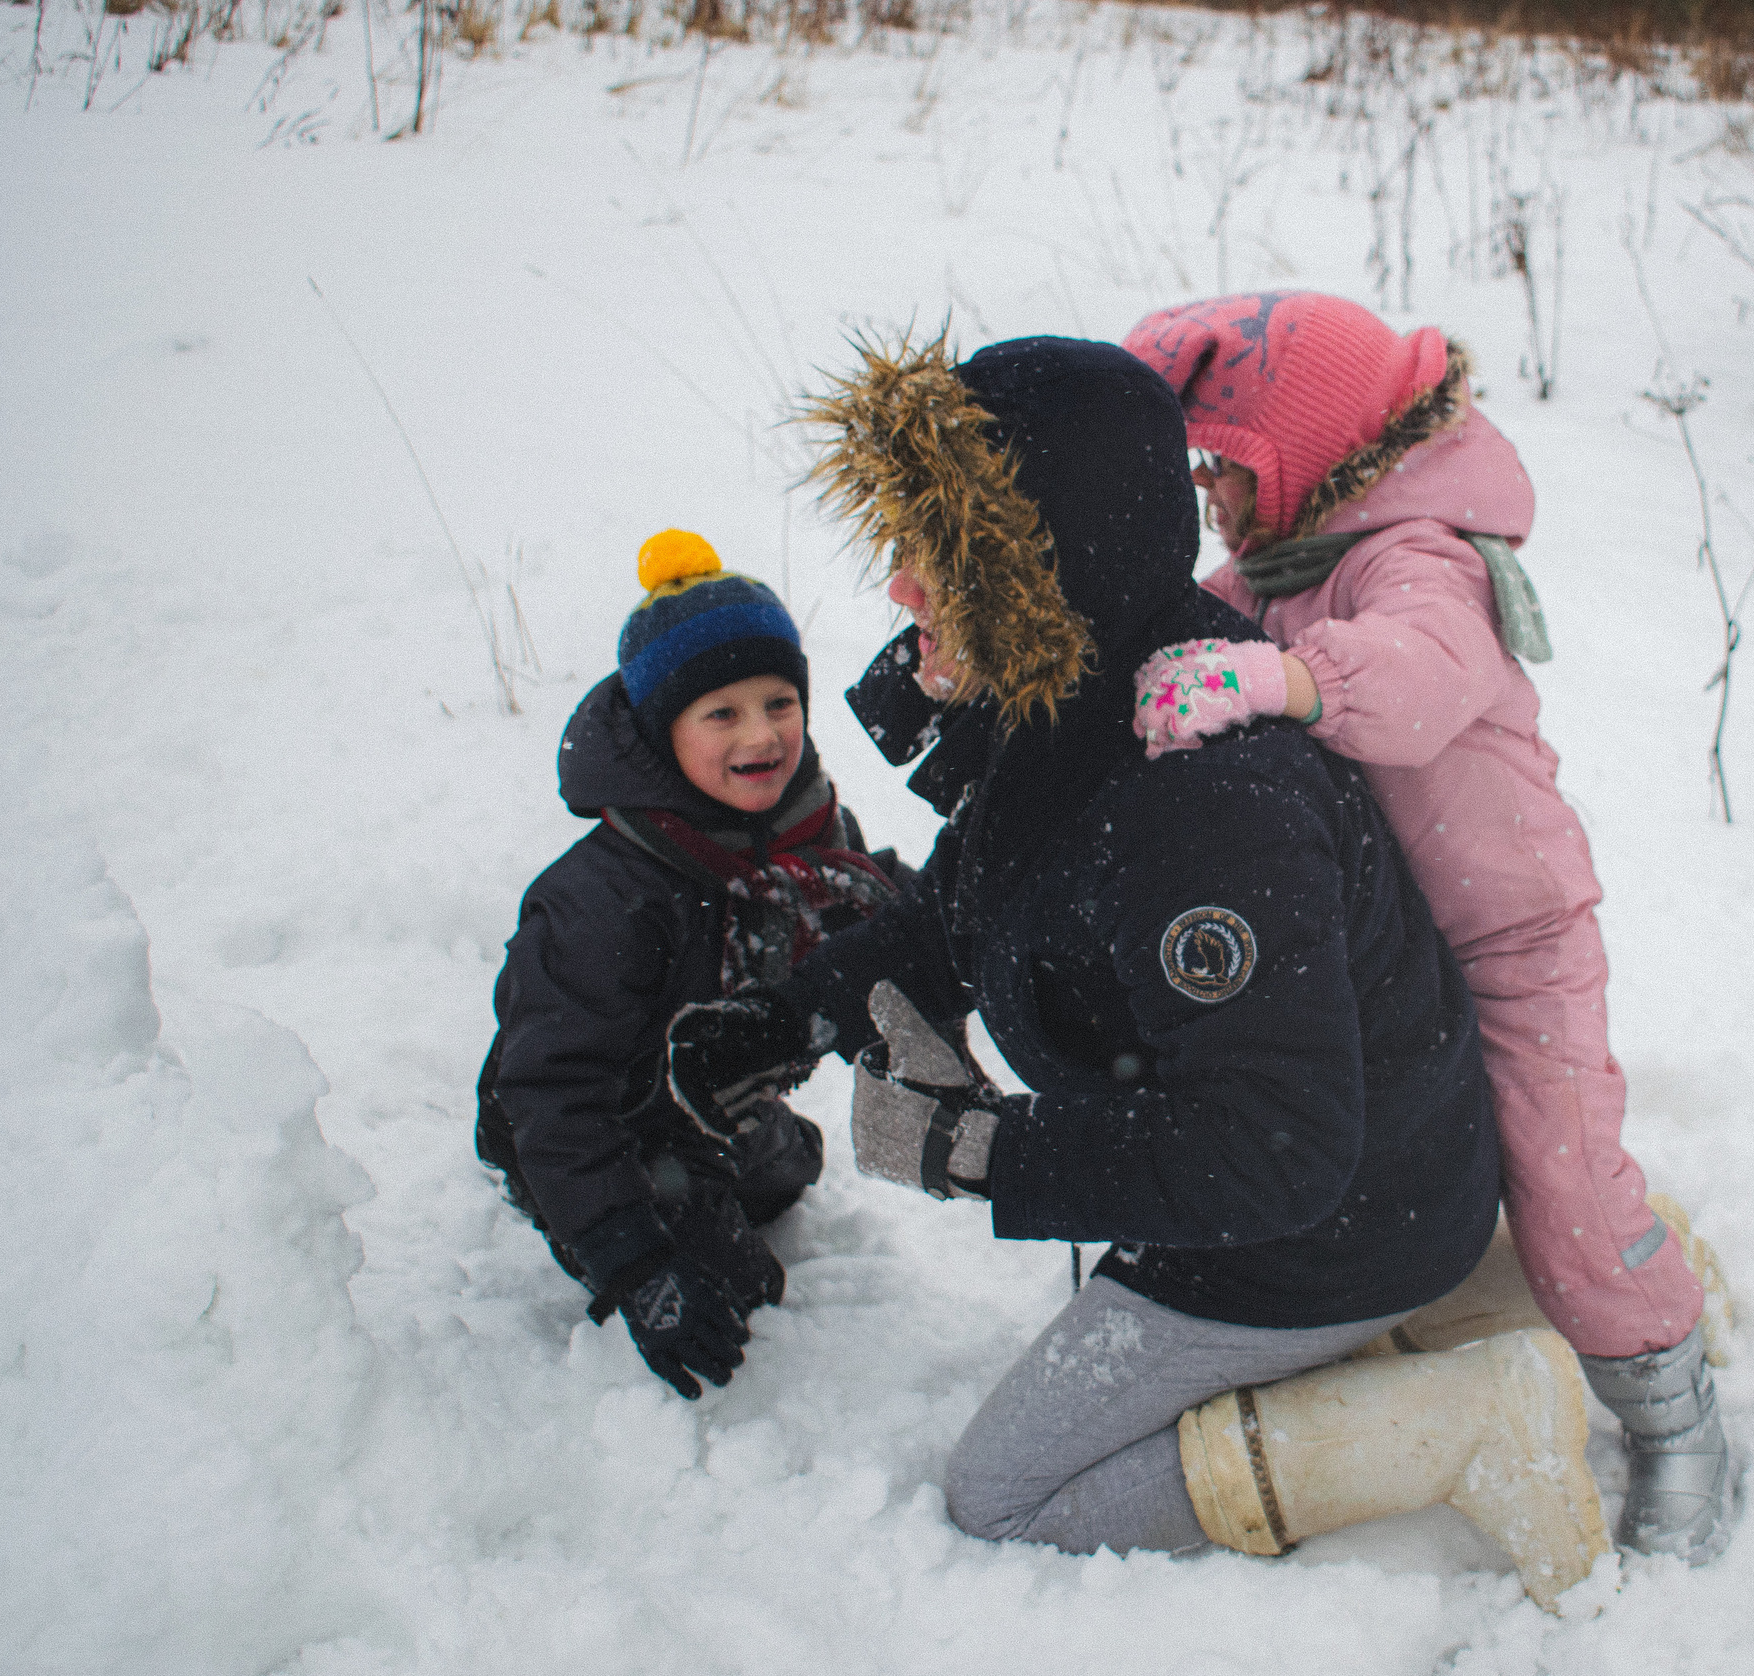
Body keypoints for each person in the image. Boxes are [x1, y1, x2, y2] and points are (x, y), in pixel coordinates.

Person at [674, 332, 1613, 1609]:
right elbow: (966, 905)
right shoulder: (1076, 688)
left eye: (935, 553)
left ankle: (1461, 1417)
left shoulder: (1203, 802)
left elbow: (1276, 1153)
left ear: (1041, 563)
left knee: (1004, 1495)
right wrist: (785, 1022)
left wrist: (979, 1151)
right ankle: (1429, 1319)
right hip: (1348, 1178)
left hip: (1324, 1228)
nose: (899, 588)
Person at [1119, 291, 1735, 1563]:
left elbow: (1412, 681)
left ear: (1300, 457)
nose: (1208, 495)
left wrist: (1280, 680)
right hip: (1395, 949)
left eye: (1226, 468)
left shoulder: (1418, 559)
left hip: (1513, 943)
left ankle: (1675, 1418)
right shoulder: (1272, 570)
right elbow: (1188, 628)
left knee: (1558, 1190)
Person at [475, 530, 891, 1399]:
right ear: (664, 735)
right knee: (735, 1293)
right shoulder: (604, 897)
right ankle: (575, 1209)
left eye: (780, 702)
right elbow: (552, 1091)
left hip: (703, 1096)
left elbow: (878, 916)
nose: (763, 735)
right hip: (593, 1119)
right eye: (722, 714)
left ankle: (707, 1160)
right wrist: (633, 1260)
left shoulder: (809, 830)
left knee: (785, 1174)